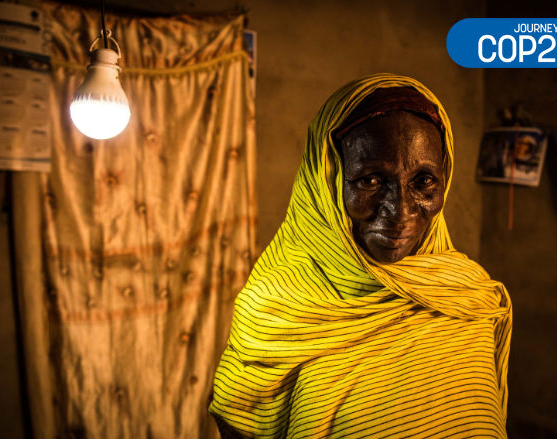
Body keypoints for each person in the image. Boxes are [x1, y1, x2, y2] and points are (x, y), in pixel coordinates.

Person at [210, 74, 512, 438]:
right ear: (327, 182)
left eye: (424, 181)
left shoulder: (469, 296)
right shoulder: (276, 306)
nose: (400, 212)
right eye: (370, 180)